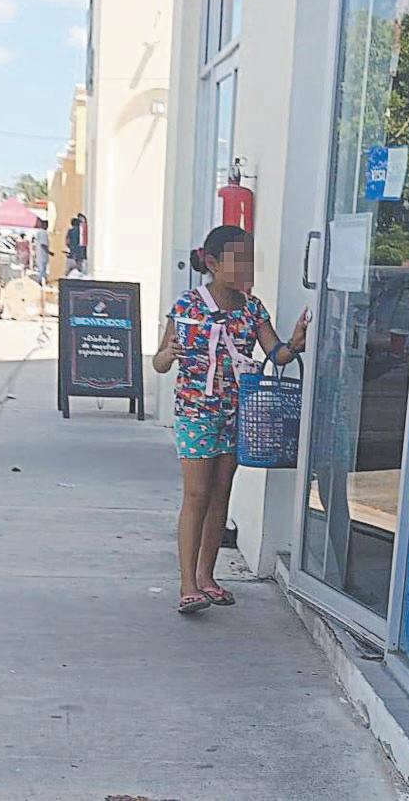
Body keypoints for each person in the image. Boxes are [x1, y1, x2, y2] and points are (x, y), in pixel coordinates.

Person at [153, 225, 311, 614]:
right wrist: (169, 354)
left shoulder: (253, 308)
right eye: (239, 259)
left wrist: (294, 344)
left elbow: (275, 354)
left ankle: (207, 577)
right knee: (196, 494)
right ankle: (188, 584)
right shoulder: (187, 306)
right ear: (212, 262)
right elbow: (158, 363)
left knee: (222, 492)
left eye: (250, 259)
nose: (247, 267)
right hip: (195, 412)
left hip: (238, 413)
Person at [34, 219, 51, 284]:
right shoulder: (44, 233)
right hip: (43, 254)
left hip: (39, 253)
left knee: (42, 269)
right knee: (42, 269)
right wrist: (49, 252)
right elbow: (43, 245)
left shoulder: (38, 232)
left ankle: (44, 280)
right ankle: (39, 281)